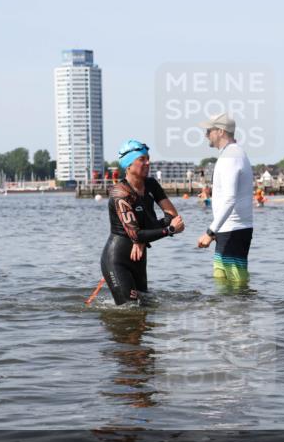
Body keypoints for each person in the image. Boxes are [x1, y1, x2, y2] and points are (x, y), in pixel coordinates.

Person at [101, 140, 184, 305]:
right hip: (117, 260)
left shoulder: (151, 184)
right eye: (142, 159)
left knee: (144, 309)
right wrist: (169, 230)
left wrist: (142, 239)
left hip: (139, 258)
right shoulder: (120, 193)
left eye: (148, 158)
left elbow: (172, 215)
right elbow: (137, 233)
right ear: (129, 165)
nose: (148, 162)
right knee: (129, 309)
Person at [195, 113, 254, 284]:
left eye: (209, 130)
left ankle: (244, 310)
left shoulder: (231, 156)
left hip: (234, 230)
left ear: (220, 131)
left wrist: (210, 231)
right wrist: (217, 231)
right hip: (227, 229)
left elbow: (230, 199)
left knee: (236, 286)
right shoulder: (230, 154)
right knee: (221, 282)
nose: (206, 134)